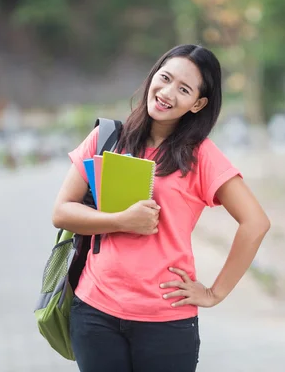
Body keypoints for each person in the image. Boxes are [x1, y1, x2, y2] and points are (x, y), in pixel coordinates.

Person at [51, 44, 270, 372]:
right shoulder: (108, 138)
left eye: (183, 89)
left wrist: (213, 293)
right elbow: (62, 212)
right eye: (164, 78)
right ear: (153, 75)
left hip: (166, 323)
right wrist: (121, 220)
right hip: (95, 313)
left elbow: (255, 222)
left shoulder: (200, 156)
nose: (167, 93)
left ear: (198, 103)